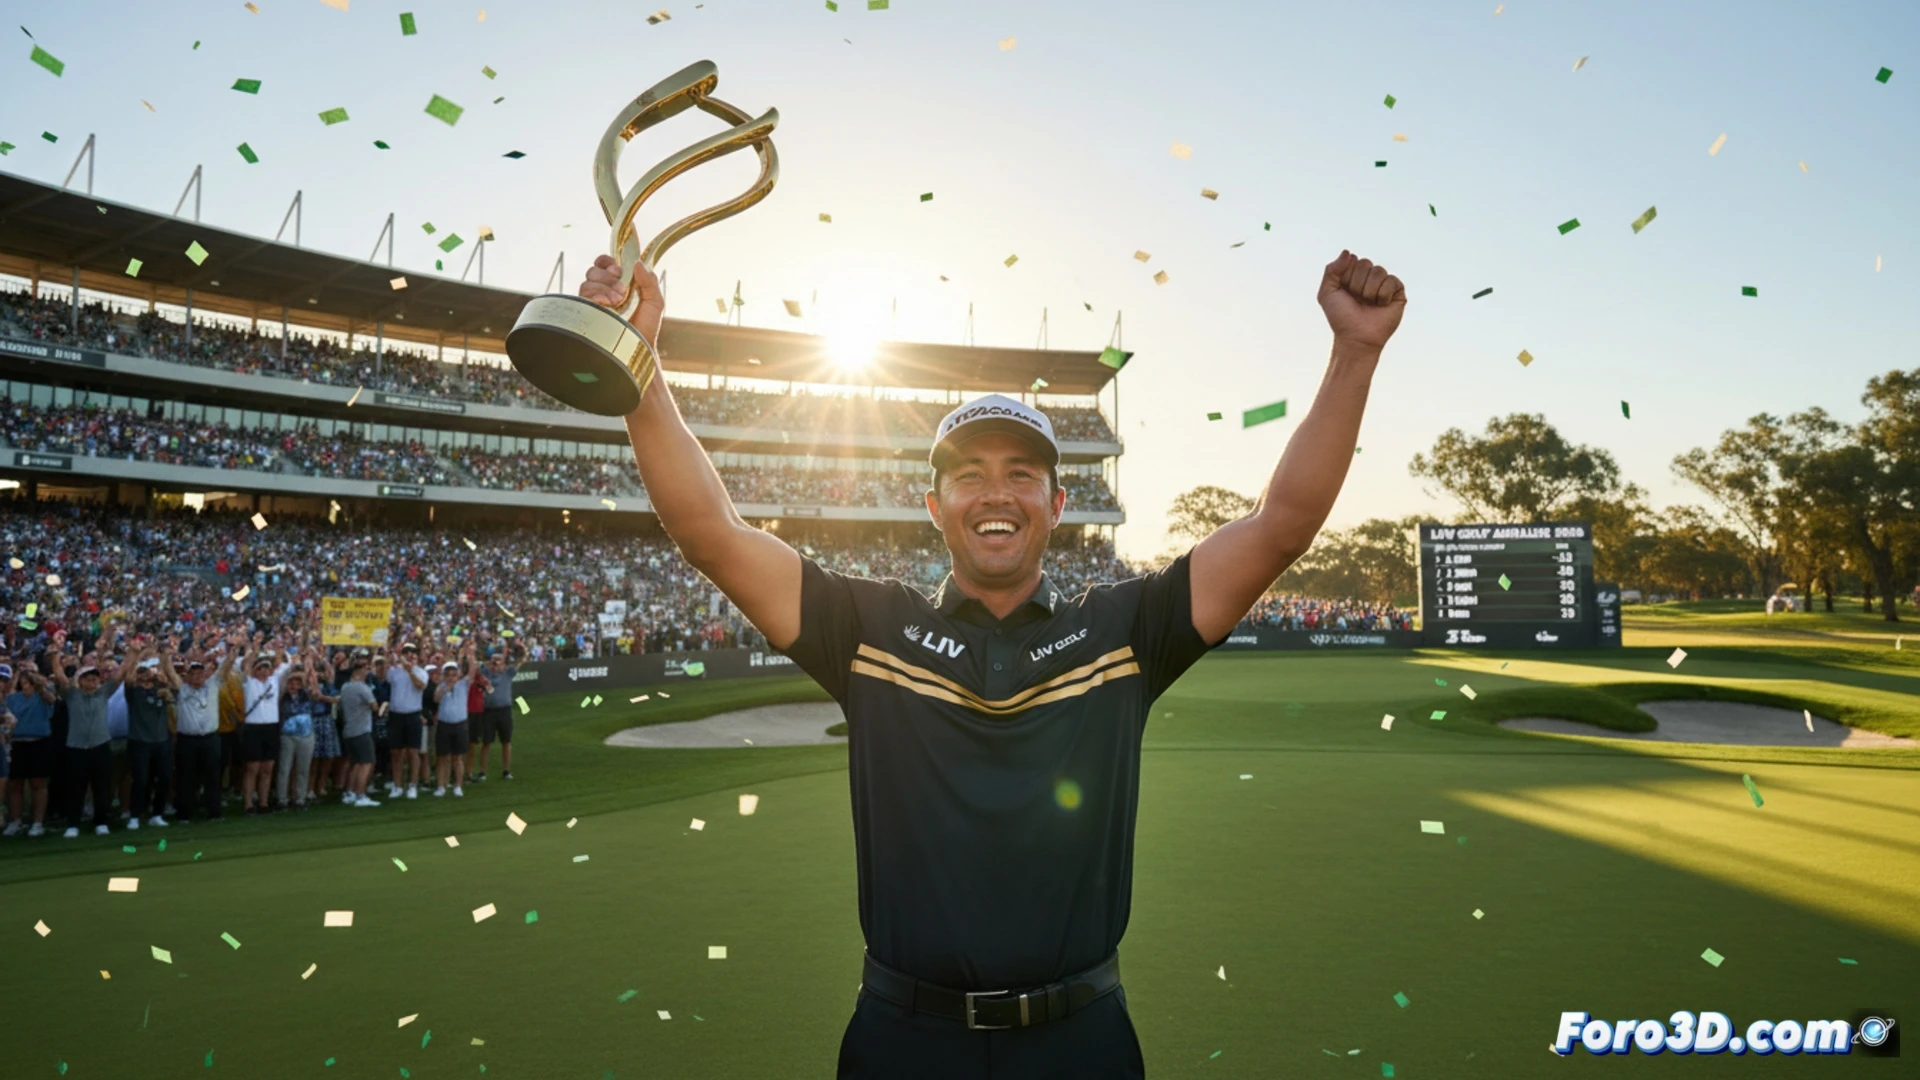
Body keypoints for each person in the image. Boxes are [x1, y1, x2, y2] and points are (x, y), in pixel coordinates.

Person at [578, 247, 1404, 1077]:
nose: (996, 493)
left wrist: (1355, 352)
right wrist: (639, 367)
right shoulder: (869, 627)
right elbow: (710, 534)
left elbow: (1280, 526)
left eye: (1021, 474)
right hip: (904, 1040)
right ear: (935, 507)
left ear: (1058, 503)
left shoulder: (1126, 630)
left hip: (1082, 1040)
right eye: (969, 475)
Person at [50, 636, 125, 838]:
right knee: (76, 788)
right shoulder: (72, 695)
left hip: (100, 747)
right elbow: (60, 676)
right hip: (76, 748)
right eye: (88, 677)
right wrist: (56, 655)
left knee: (102, 787)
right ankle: (73, 824)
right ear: (80, 680)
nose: (92, 680)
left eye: (95, 677)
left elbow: (120, 674)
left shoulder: (104, 692)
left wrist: (133, 654)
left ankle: (101, 822)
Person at [231, 633, 294, 816]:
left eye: (267, 668)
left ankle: (264, 803)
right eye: (261, 668)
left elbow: (286, 666)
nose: (265, 671)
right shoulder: (248, 682)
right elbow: (246, 666)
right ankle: (248, 804)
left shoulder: (274, 681)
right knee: (252, 768)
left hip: (271, 727)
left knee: (267, 768)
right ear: (255, 670)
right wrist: (255, 646)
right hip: (254, 728)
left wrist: (281, 648)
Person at [123, 643, 176, 830]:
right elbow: (129, 678)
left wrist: (164, 661)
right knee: (140, 780)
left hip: (161, 740)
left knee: (164, 778)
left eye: (148, 670)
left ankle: (157, 814)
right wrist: (138, 656)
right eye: (142, 671)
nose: (145, 674)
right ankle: (135, 815)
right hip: (139, 741)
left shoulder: (162, 689)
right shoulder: (133, 691)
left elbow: (175, 685)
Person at [4, 661, 57, 836]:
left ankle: (37, 823)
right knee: (15, 784)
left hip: (39, 743)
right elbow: (8, 698)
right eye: (24, 681)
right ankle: (15, 821)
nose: (26, 684)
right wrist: (18, 674)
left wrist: (38, 683)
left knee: (38, 783)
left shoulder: (43, 695)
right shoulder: (13, 697)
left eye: (29, 681)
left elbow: (51, 699)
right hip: (18, 743)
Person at [172, 650, 225, 823]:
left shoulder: (212, 686)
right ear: (187, 676)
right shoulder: (181, 689)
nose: (197, 677)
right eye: (193, 673)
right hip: (188, 739)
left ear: (205, 675)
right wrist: (164, 655)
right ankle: (184, 813)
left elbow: (225, 668)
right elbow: (170, 673)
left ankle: (214, 812)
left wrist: (232, 652)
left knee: (213, 776)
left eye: (200, 673)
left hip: (210, 738)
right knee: (186, 776)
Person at [385, 642, 429, 800]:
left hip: (413, 715)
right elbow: (384, 677)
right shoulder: (394, 671)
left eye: (413, 653)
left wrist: (410, 672)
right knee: (396, 752)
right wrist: (388, 657)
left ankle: (412, 785)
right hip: (396, 715)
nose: (410, 656)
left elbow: (420, 686)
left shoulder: (421, 672)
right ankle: (397, 785)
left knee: (413, 752)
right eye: (406, 653)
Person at [336, 657, 381, 807]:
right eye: (365, 668)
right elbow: (374, 706)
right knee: (367, 762)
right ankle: (361, 794)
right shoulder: (362, 687)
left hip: (349, 730)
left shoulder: (345, 687)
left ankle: (351, 792)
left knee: (356, 763)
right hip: (361, 730)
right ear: (360, 671)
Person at [274, 659, 317, 811]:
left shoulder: (306, 695)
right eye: (291, 683)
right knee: (284, 769)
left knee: (303, 769)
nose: (294, 686)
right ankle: (282, 799)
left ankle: (300, 799)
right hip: (287, 736)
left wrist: (309, 667)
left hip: (306, 735)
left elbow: (314, 688)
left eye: (297, 683)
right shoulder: (282, 697)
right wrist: (289, 672)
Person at [432, 649, 474, 797]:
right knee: (442, 757)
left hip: (460, 725)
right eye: (448, 675)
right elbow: (436, 699)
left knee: (458, 757)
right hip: (444, 725)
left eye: (453, 675)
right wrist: (446, 688)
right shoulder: (441, 687)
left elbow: (472, 672)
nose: (451, 678)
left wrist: (470, 656)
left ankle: (458, 786)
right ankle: (441, 786)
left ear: (457, 675)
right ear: (444, 676)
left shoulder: (463, 684)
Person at [472, 647, 517, 782]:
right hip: (488, 711)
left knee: (506, 741)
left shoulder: (508, 673)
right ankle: (483, 772)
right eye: (494, 661)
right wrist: (491, 662)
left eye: (499, 661)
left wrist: (504, 659)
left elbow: (520, 662)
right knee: (486, 742)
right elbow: (476, 667)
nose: (496, 664)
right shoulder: (485, 672)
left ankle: (506, 771)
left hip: (504, 710)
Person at [307, 649, 341, 802]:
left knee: (328, 757)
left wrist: (321, 658)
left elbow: (336, 697)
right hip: (314, 721)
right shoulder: (308, 685)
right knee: (314, 758)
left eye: (321, 671)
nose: (320, 673)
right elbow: (315, 696)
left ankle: (320, 787)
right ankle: (310, 788)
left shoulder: (328, 684)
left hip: (327, 721)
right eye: (317, 671)